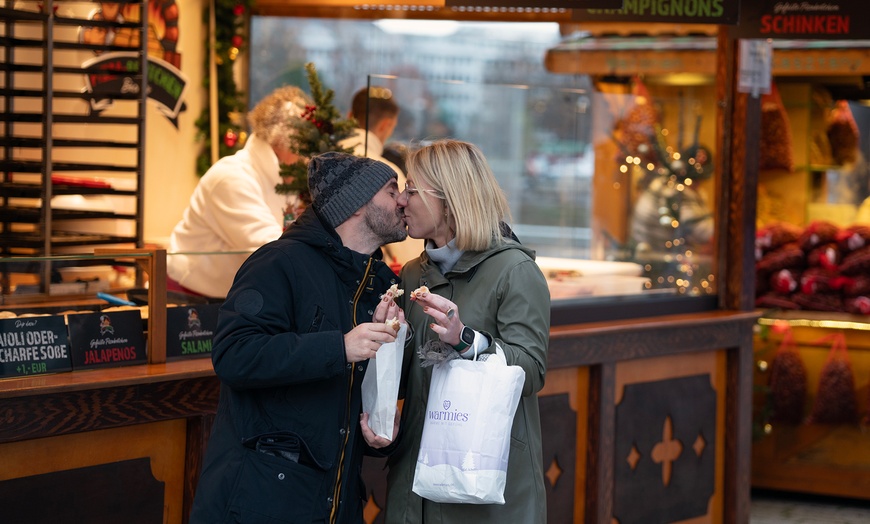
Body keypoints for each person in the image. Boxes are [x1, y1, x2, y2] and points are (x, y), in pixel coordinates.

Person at [189, 152, 408, 523]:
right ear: (355, 205)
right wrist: (339, 347)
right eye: (391, 190)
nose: (403, 199)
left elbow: (349, 397)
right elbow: (234, 354)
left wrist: (381, 433)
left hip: (334, 502)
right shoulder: (278, 263)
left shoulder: (381, 284)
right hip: (261, 502)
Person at [371, 139, 551, 523]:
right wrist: (390, 341)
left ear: (449, 198)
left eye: (412, 190)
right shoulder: (414, 272)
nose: (401, 200)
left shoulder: (515, 271)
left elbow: (532, 370)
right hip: (415, 478)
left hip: (485, 480)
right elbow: (414, 374)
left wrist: (466, 340)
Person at [167, 85, 312, 298]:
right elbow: (271, 248)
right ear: (281, 140)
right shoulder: (232, 177)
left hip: (232, 295)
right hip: (191, 296)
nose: (307, 157)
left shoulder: (284, 180)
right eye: (303, 146)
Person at [341, 86, 423, 268]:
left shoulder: (313, 159)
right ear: (386, 124)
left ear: (349, 116)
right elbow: (409, 254)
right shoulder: (386, 174)